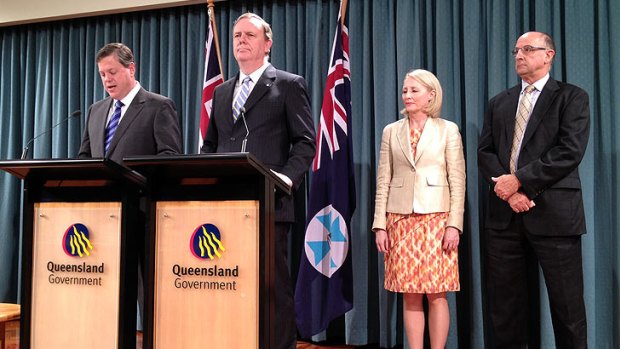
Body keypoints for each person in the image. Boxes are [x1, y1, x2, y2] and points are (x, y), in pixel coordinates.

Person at [200, 13, 316, 349]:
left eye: (249, 35)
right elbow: (211, 145)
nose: (240, 41)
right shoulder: (222, 92)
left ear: (267, 43)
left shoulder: (288, 85)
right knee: (228, 283)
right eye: (236, 35)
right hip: (227, 205)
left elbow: (306, 143)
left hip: (270, 203)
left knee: (271, 288)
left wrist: (285, 178)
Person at [478, 31, 590, 348]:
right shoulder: (499, 102)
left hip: (555, 216)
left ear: (548, 55)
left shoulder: (571, 97)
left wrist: (522, 182)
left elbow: (569, 151)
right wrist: (509, 191)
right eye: (516, 50)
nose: (519, 55)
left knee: (567, 309)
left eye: (528, 49)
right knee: (506, 310)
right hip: (504, 216)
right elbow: (485, 153)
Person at [372, 69, 465, 349]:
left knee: (437, 293)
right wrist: (380, 224)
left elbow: (457, 180)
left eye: (414, 90)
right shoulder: (391, 131)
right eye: (405, 90)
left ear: (431, 95)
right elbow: (383, 180)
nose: (408, 95)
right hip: (399, 220)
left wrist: (454, 224)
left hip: (438, 220)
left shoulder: (448, 129)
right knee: (409, 293)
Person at [78, 42, 182, 162]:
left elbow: (169, 157)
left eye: (112, 72)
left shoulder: (159, 106)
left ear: (131, 69)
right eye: (102, 74)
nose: (107, 79)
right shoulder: (95, 110)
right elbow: (84, 158)